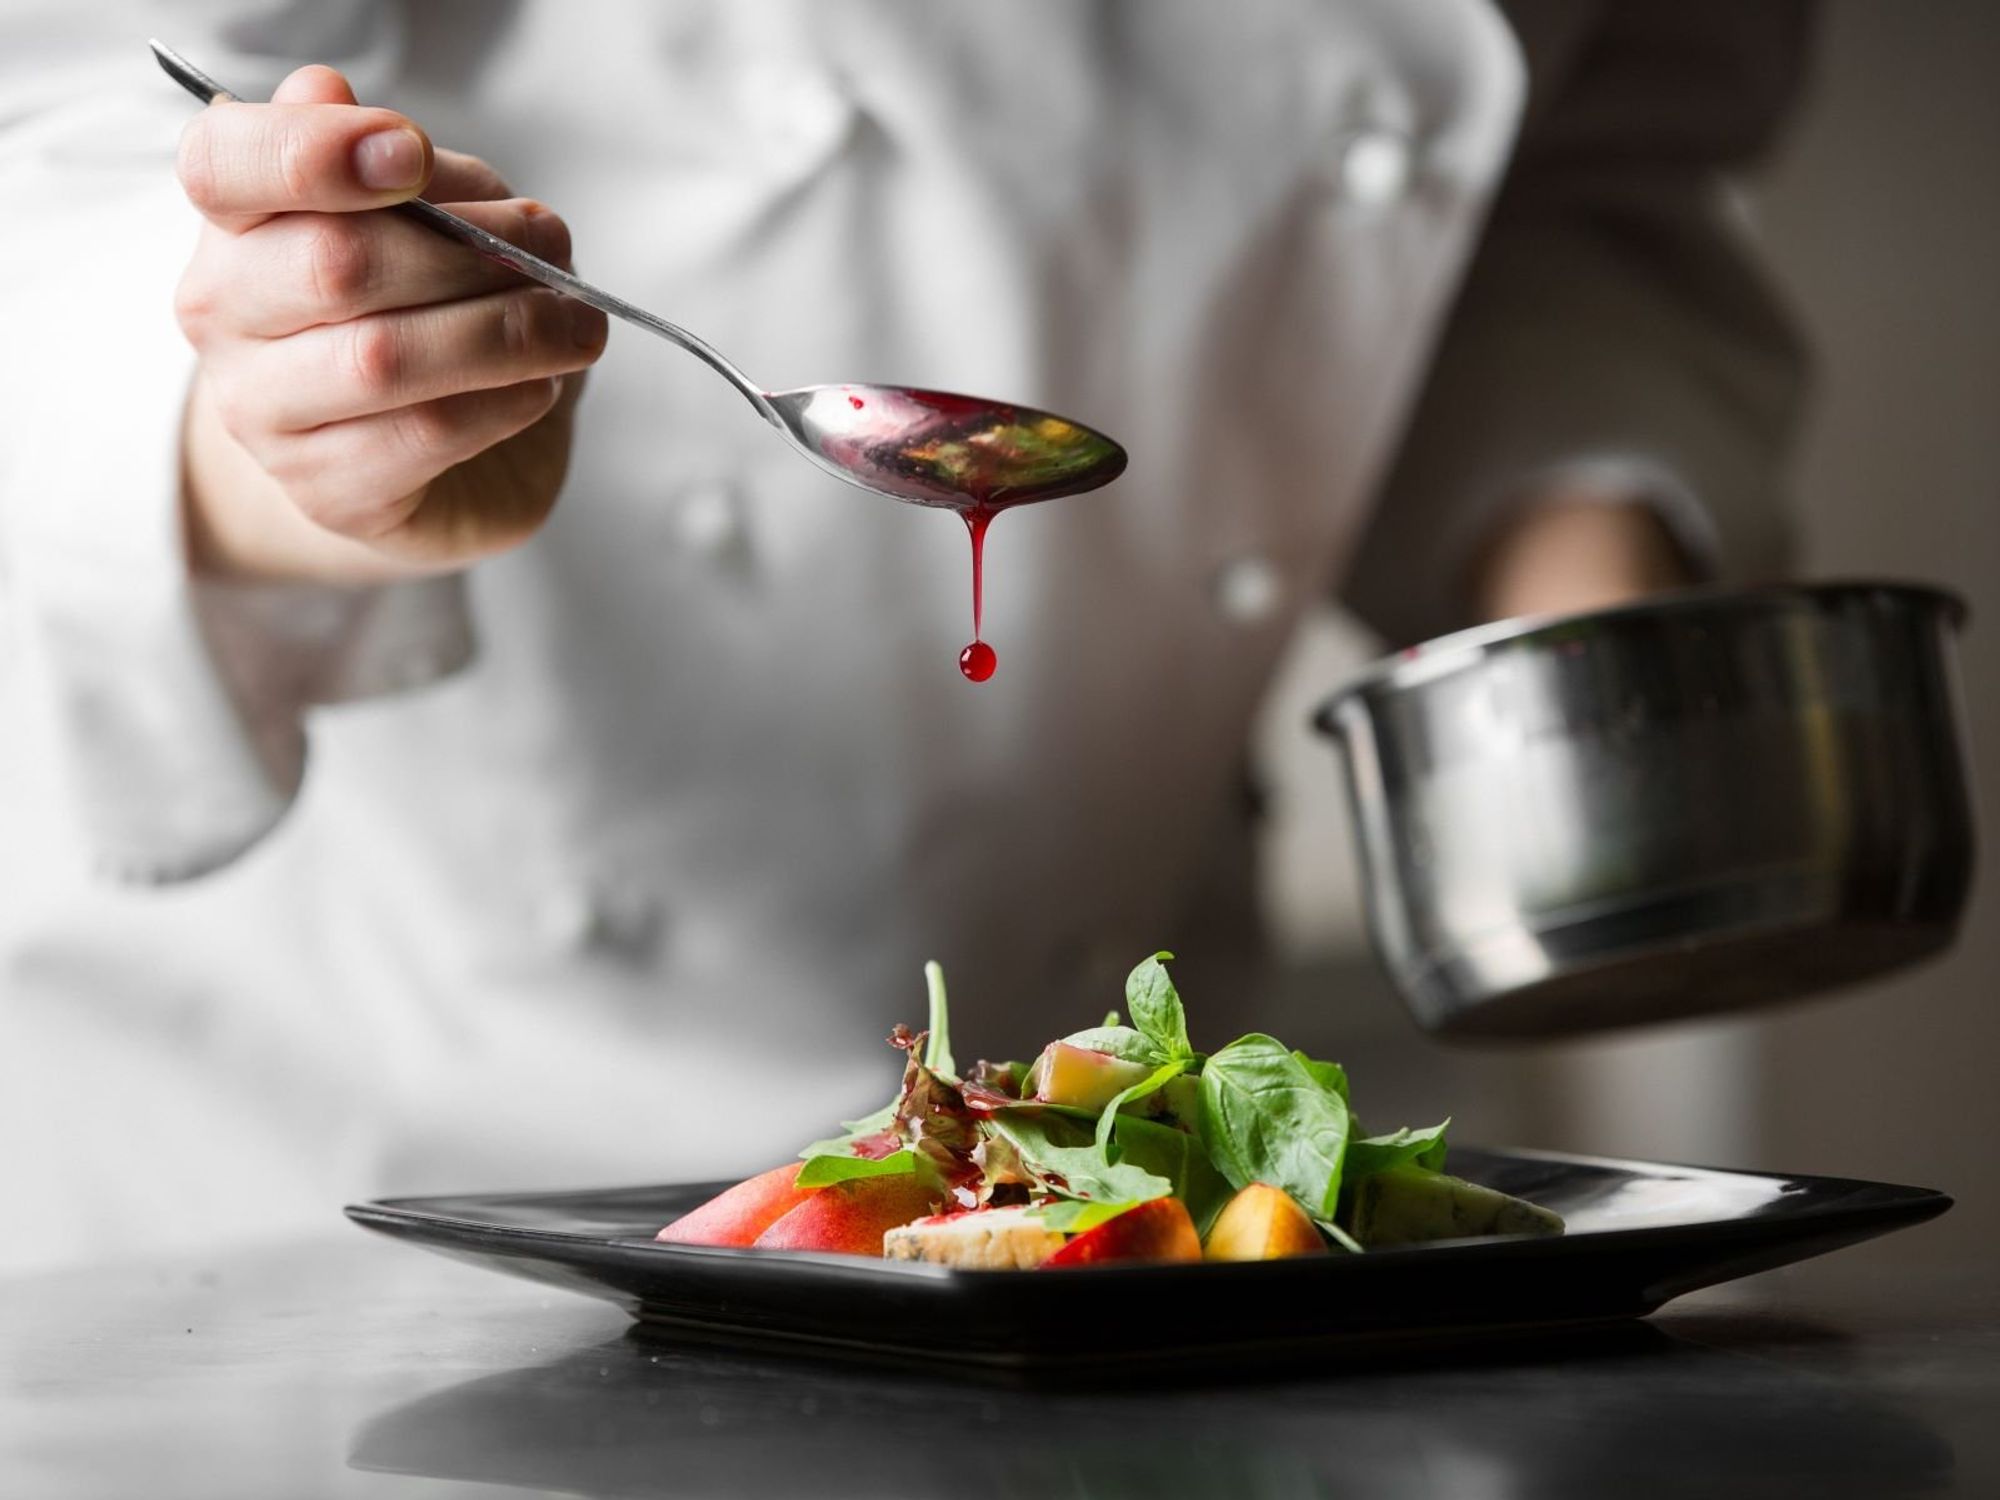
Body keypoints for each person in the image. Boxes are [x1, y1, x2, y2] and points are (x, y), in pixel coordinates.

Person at [0, 1, 1809, 1272]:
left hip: (1128, 1179)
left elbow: (1571, 173)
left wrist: (1595, 616)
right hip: (343, 1163)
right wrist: (312, 435)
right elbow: (71, 125)